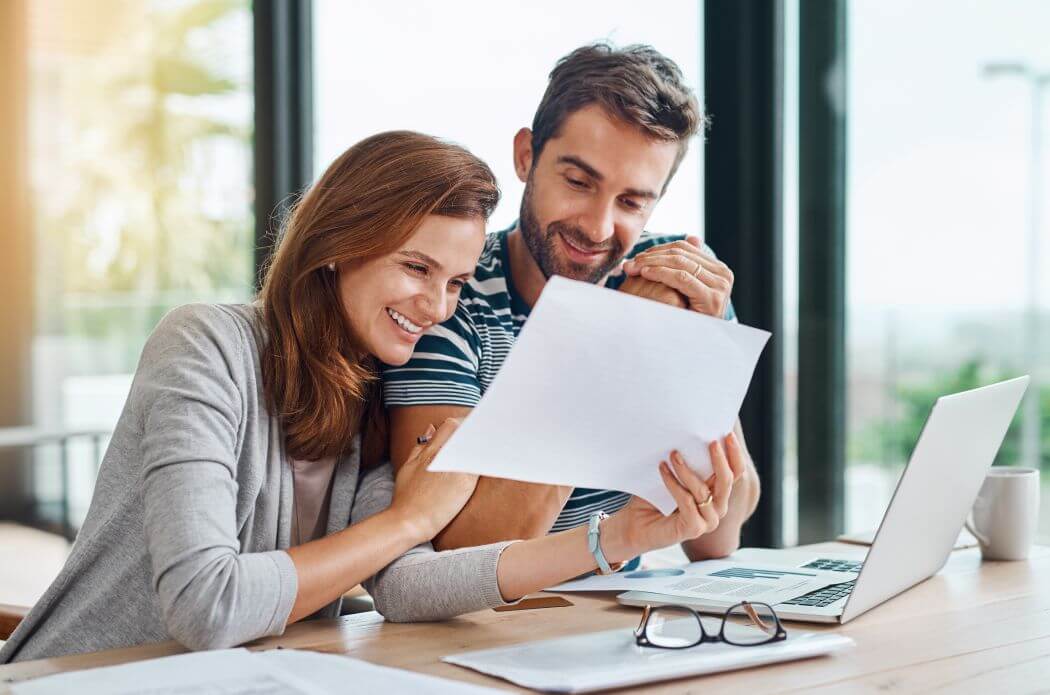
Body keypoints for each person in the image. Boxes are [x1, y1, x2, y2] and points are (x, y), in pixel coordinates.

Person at [0, 130, 741, 663]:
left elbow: (405, 585)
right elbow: (208, 601)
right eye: (416, 268)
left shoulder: (368, 387)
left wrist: (617, 539)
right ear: (336, 246)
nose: (438, 306)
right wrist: (410, 516)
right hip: (77, 676)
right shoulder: (203, 345)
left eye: (453, 282)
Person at [384, 43, 761, 563]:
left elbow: (716, 537)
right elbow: (457, 550)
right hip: (498, 627)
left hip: (623, 616)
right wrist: (612, 340)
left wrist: (703, 346)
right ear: (526, 156)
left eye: (631, 202)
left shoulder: (672, 276)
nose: (598, 226)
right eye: (579, 182)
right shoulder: (449, 295)